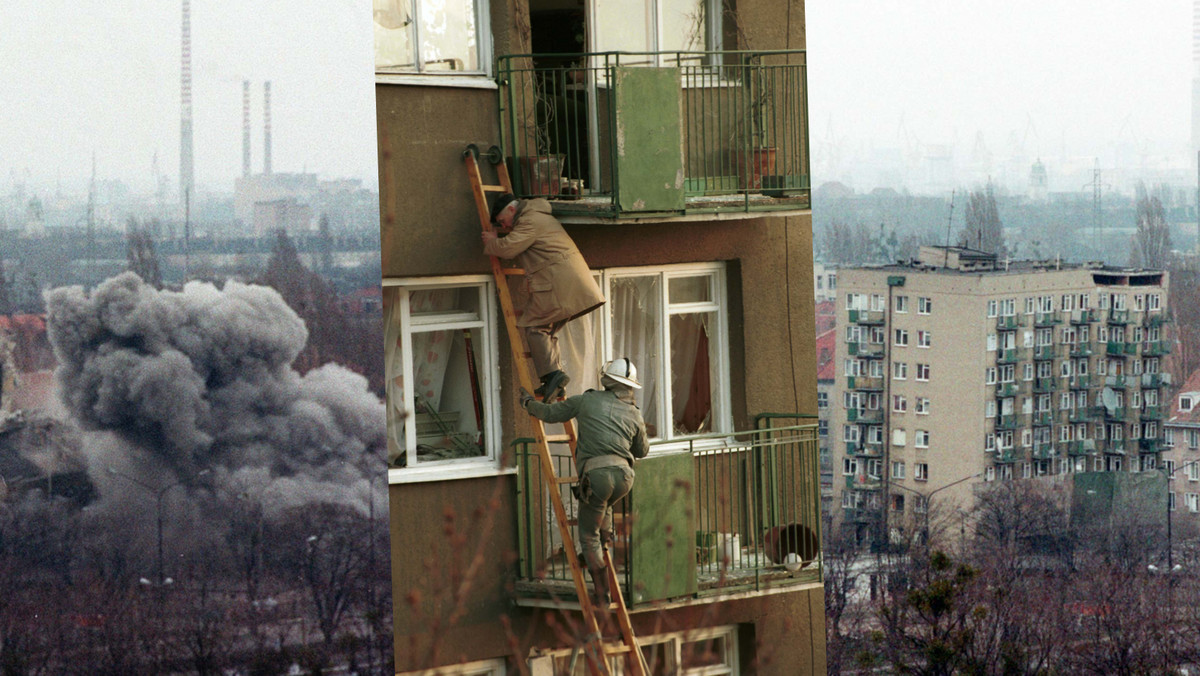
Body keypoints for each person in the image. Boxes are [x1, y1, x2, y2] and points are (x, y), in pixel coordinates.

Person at [520, 358, 648, 607]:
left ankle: (601, 593)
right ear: (629, 387)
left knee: (587, 533)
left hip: (598, 476)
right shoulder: (634, 413)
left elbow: (549, 414)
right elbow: (642, 450)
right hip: (624, 478)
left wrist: (527, 402)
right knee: (603, 506)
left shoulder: (586, 400)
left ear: (606, 380)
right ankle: (602, 543)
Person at [483, 193, 604, 401]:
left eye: (503, 221)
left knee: (534, 327)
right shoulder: (536, 216)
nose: (505, 227)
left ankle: (553, 376)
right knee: (546, 330)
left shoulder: (529, 220)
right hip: (567, 283)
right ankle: (553, 383)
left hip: (560, 284)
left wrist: (493, 241)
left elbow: (509, 248)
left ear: (512, 210)